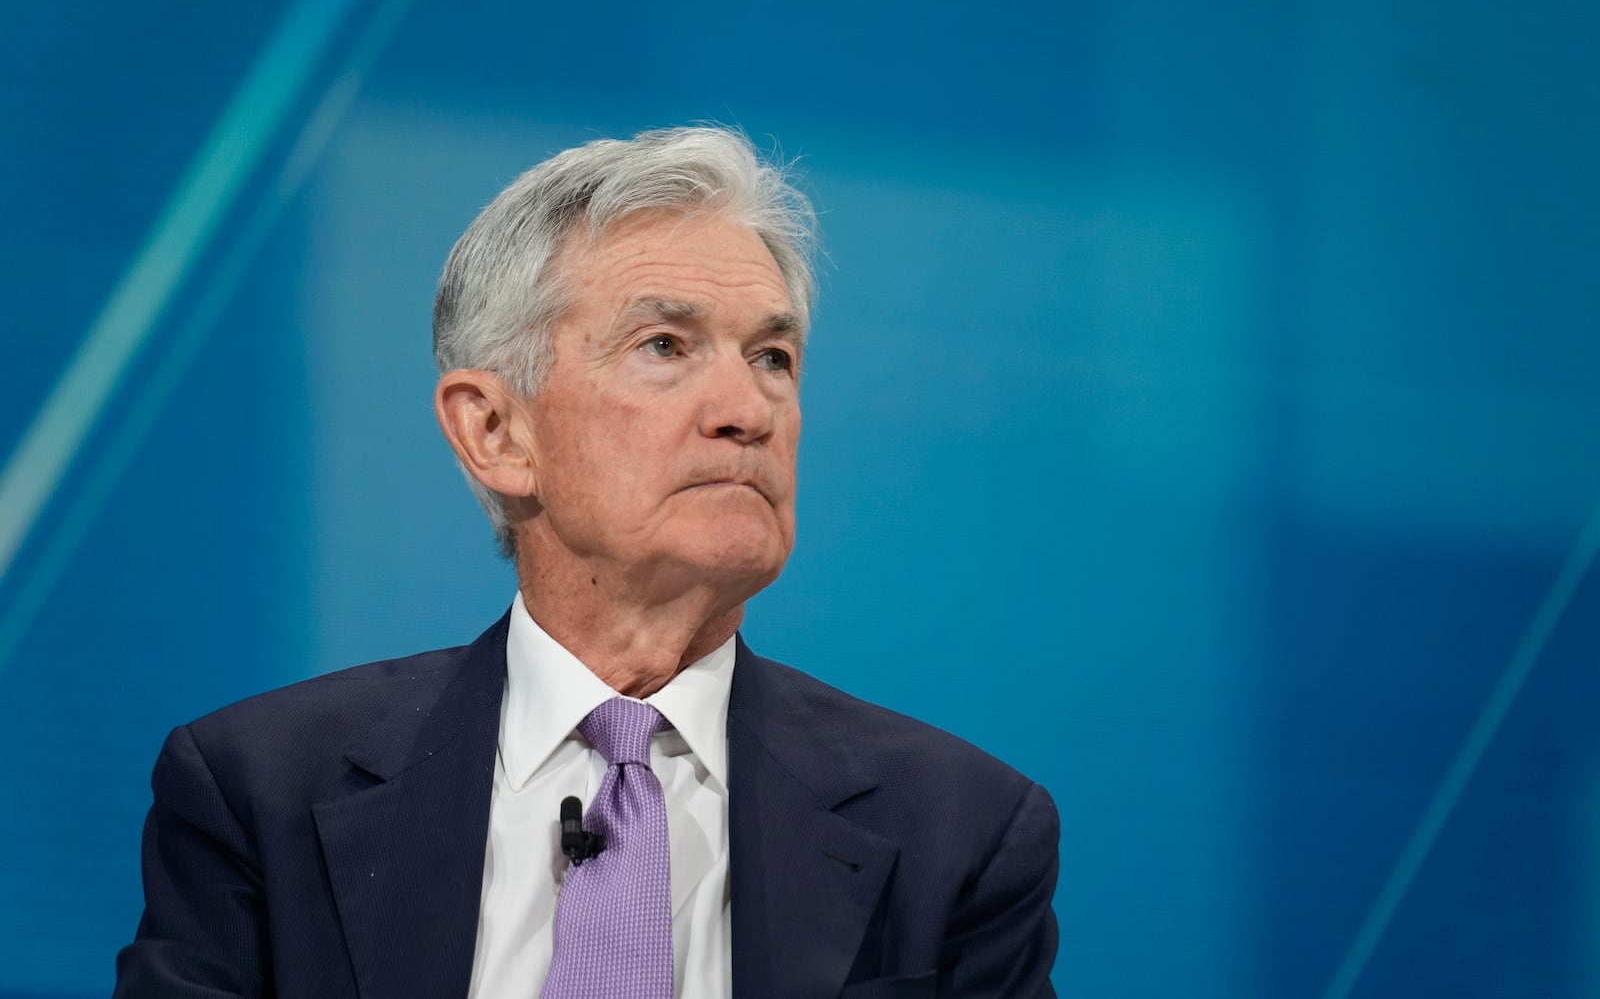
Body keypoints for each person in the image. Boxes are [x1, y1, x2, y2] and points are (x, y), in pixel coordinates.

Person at [114, 125, 1060, 998]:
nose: (748, 409)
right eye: (665, 344)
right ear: (495, 431)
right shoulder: (260, 793)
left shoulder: (960, 833)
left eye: (773, 356)